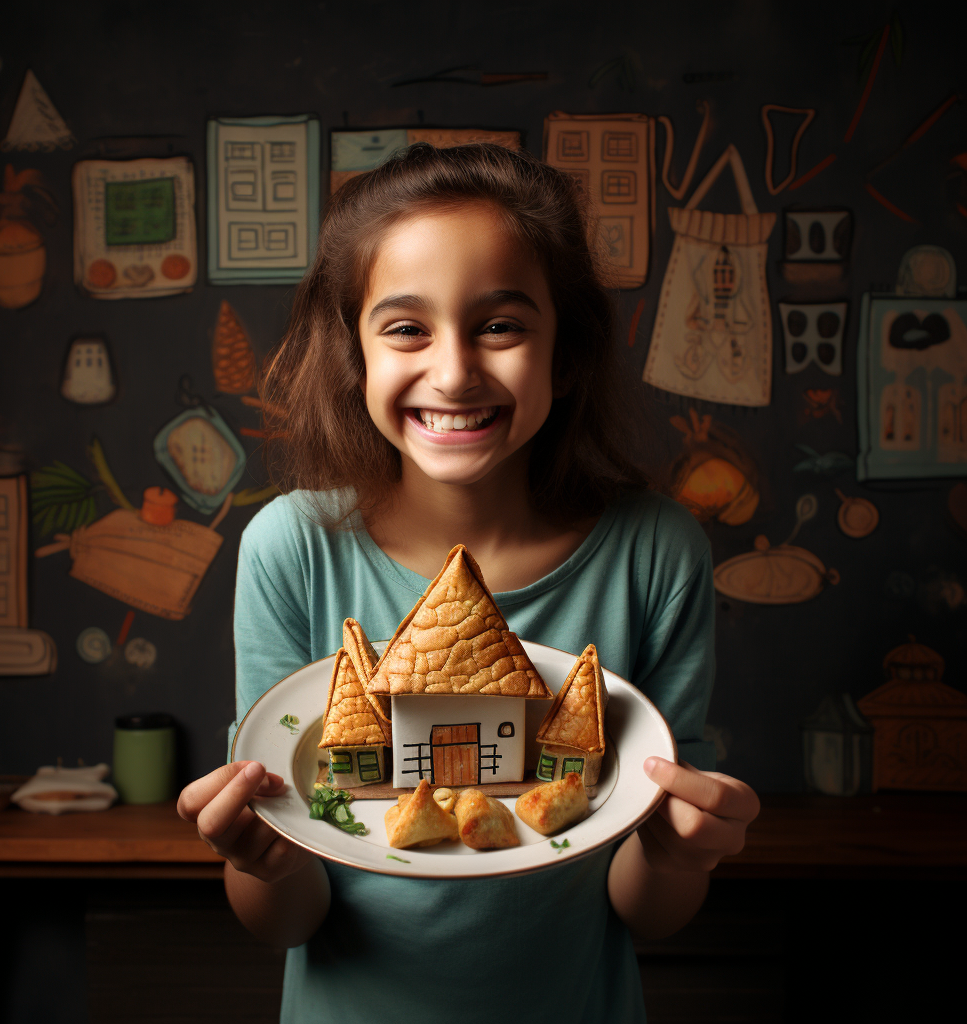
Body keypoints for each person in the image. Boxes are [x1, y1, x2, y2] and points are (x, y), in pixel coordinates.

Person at [178, 143, 759, 1023]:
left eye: (500, 325)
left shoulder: (654, 551)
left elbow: (648, 909)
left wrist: (682, 856)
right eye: (406, 327)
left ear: (565, 353)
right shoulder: (289, 547)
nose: (453, 371)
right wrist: (266, 858)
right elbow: (282, 921)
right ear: (355, 355)